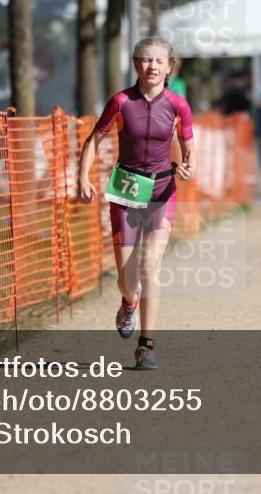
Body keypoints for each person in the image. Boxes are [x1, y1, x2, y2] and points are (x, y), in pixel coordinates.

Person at [77, 36, 195, 370]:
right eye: (146, 60)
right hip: (126, 191)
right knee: (127, 280)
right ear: (135, 64)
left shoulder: (178, 104)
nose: (153, 66)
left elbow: (189, 147)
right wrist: (82, 178)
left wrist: (189, 166)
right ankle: (129, 301)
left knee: (149, 267)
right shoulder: (120, 101)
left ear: (169, 67)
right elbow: (93, 139)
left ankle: (146, 346)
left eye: (159, 61)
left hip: (161, 192)